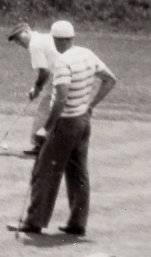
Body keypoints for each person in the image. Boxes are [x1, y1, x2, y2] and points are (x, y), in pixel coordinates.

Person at [9, 19, 117, 237]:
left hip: (65, 124)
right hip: (83, 122)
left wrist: (46, 128)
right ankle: (77, 224)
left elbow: (61, 99)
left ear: (56, 39)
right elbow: (110, 80)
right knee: (78, 173)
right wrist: (90, 105)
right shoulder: (87, 54)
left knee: (45, 171)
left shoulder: (62, 62)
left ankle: (34, 222)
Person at [8, 22, 57, 155]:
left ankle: (40, 146)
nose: (18, 43)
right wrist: (38, 87)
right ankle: (46, 146)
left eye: (18, 39)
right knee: (55, 111)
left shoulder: (34, 44)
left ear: (25, 33)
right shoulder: (43, 38)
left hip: (59, 77)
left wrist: (36, 88)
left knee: (44, 111)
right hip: (63, 75)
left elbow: (44, 71)